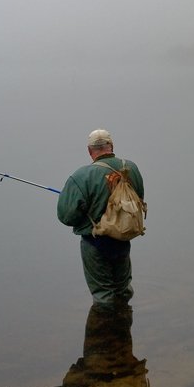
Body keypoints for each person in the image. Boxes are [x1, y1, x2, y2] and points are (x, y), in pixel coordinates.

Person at [56, 128, 145, 306]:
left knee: (103, 295)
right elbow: (139, 198)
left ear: (90, 151)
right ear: (111, 146)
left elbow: (66, 216)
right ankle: (124, 324)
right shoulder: (131, 168)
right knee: (123, 288)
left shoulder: (80, 176)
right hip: (123, 237)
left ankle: (105, 330)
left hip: (95, 242)